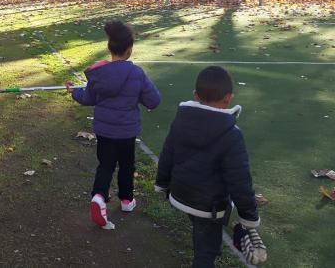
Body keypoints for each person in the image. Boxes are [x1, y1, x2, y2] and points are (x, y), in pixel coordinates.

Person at [155, 66, 263, 268]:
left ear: (196, 96)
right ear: (229, 98)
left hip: (182, 193)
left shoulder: (181, 120)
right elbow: (239, 180)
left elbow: (168, 153)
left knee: (202, 231)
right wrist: (249, 217)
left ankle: (207, 242)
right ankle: (207, 251)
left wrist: (162, 183)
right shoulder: (232, 135)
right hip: (210, 206)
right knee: (206, 252)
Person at [65, 20, 161, 230]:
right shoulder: (137, 74)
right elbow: (153, 100)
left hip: (105, 131)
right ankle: (126, 200)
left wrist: (74, 92)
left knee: (106, 165)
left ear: (110, 47)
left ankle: (99, 196)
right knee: (127, 165)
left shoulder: (99, 74)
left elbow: (88, 98)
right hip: (127, 132)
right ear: (129, 50)